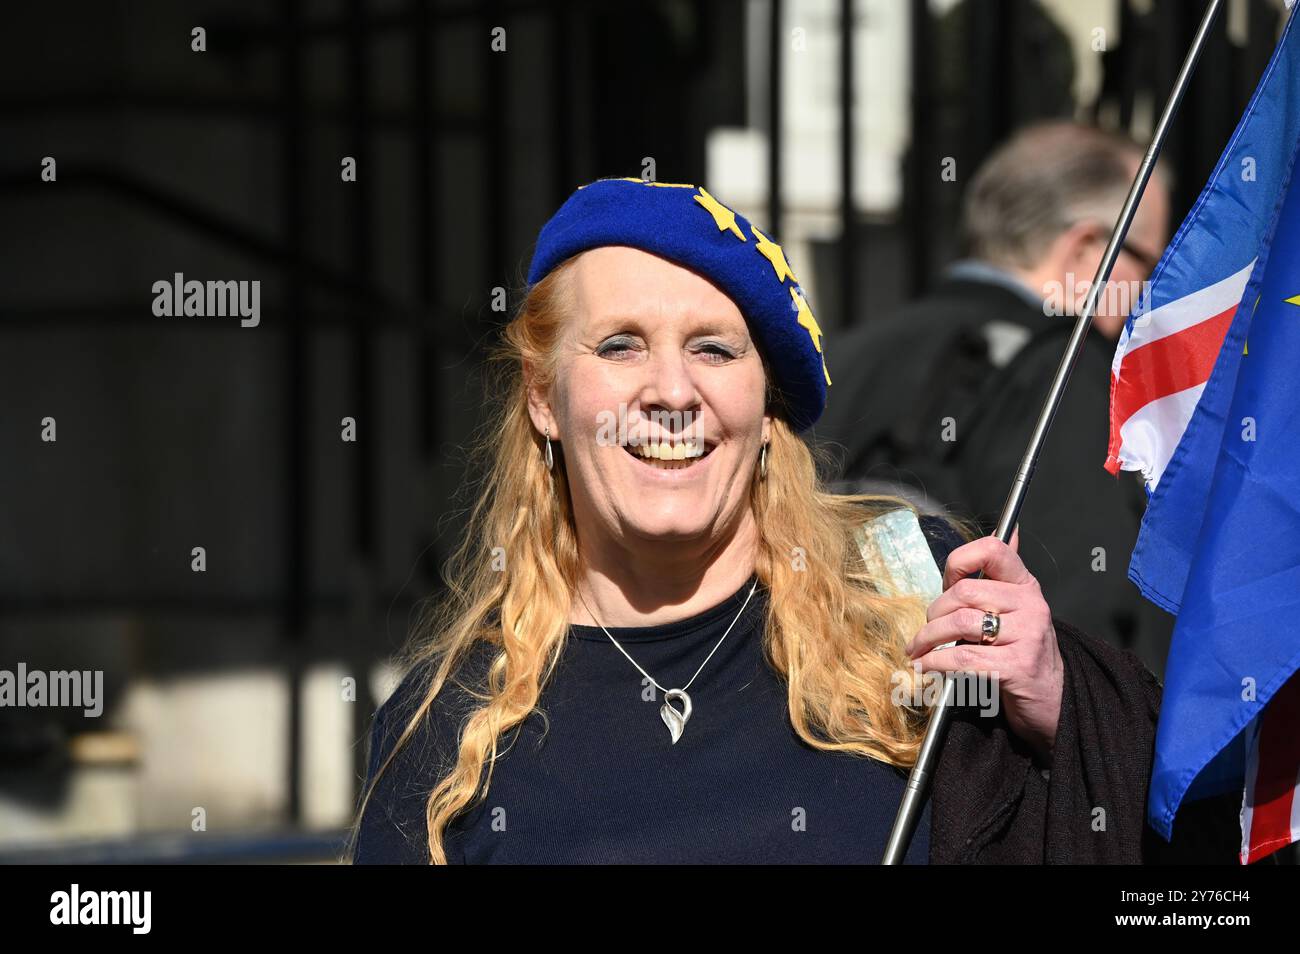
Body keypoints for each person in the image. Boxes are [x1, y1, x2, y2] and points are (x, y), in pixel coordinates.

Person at [348, 176, 1236, 864]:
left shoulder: (912, 597)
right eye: (620, 344)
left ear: (765, 404)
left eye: (712, 348)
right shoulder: (447, 722)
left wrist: (1062, 704)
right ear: (545, 397)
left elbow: (1204, 848)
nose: (669, 390)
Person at [815, 122, 1176, 677]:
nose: (1147, 292)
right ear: (1085, 249)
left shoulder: (843, 354)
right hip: (972, 748)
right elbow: (1083, 635)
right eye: (1148, 265)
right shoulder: (1064, 376)